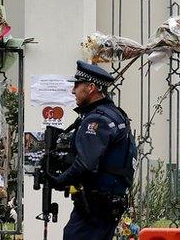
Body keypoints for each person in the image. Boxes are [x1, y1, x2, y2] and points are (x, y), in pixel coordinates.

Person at [47, 61, 136, 240]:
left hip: (95, 207)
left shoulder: (97, 120)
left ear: (91, 88)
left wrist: (58, 181)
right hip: (103, 205)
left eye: (77, 85)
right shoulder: (114, 114)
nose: (73, 91)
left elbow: (86, 164)